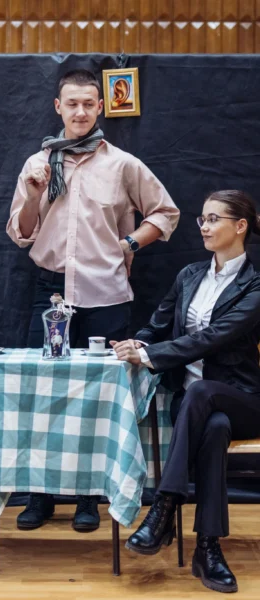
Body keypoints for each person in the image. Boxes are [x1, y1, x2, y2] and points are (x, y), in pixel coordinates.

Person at [7, 69, 180, 532]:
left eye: (88, 103)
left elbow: (166, 212)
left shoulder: (123, 164)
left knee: (97, 397)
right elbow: (22, 232)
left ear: (100, 108)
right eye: (72, 104)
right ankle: (40, 496)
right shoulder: (37, 163)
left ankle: (89, 498)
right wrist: (33, 195)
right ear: (58, 107)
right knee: (43, 392)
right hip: (50, 290)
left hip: (106, 292)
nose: (80, 112)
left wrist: (129, 244)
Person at [111, 189, 260, 594]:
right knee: (213, 426)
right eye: (202, 219)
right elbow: (156, 325)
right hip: (195, 406)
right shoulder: (189, 275)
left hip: (245, 399)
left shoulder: (255, 286)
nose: (204, 227)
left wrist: (150, 356)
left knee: (204, 395)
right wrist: (137, 343)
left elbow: (213, 337)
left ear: (240, 226)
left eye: (214, 219)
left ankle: (164, 505)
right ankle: (208, 550)